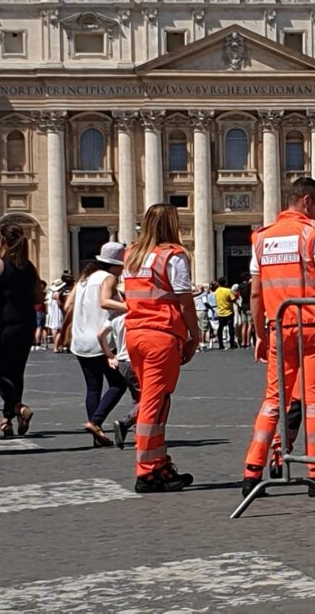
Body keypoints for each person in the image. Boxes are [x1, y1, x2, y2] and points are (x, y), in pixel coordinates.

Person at [242, 176, 315, 498]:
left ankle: (251, 472)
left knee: (273, 401)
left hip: (278, 328)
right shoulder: (314, 234)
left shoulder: (261, 238)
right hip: (313, 328)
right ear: (306, 201)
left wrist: (261, 332)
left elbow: (256, 293)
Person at [123, 203, 199, 493]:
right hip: (160, 335)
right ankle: (146, 470)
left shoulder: (132, 255)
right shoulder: (173, 255)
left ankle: (158, 463)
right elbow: (184, 299)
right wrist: (194, 333)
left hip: (135, 334)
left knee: (154, 401)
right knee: (154, 404)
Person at [64, 242, 128, 446]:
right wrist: (131, 306)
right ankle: (95, 421)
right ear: (115, 265)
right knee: (118, 384)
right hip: (100, 340)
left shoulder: (85, 279)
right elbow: (104, 302)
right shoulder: (108, 278)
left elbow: (68, 305)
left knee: (93, 388)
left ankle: (97, 436)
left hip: (81, 339)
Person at [0, 221, 43, 438]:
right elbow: (39, 297)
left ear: (2, 240)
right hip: (25, 325)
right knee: (16, 373)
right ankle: (7, 420)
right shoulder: (29, 267)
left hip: (3, 325)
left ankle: (18, 408)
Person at [97, 312, 140, 450]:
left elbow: (100, 334)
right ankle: (125, 423)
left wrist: (109, 354)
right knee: (150, 398)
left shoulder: (115, 316)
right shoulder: (138, 313)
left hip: (121, 362)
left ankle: (138, 437)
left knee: (137, 398)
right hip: (136, 360)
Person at [213, 277, 237, 350]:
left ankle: (221, 344)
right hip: (229, 311)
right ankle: (232, 344)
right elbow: (233, 299)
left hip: (220, 312)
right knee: (230, 328)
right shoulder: (228, 291)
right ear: (225, 283)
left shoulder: (217, 291)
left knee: (220, 328)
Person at [47, 279, 65, 352]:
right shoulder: (57, 293)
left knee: (54, 329)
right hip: (57, 311)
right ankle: (57, 346)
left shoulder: (50, 293)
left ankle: (57, 345)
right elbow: (59, 304)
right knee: (60, 329)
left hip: (52, 312)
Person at [236, 272, 253, 348]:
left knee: (244, 324)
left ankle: (243, 342)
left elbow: (238, 296)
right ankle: (248, 341)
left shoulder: (239, 286)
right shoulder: (250, 285)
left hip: (243, 306)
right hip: (249, 306)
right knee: (250, 325)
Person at [33, 280, 49, 351]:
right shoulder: (42, 293)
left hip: (34, 310)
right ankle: (38, 343)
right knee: (40, 327)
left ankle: (36, 343)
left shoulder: (33, 292)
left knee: (38, 327)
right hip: (40, 310)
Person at [193, 285, 209, 352]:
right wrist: (209, 307)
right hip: (202, 310)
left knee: (198, 328)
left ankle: (198, 344)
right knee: (203, 328)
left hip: (196, 311)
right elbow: (205, 302)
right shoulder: (203, 295)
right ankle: (203, 342)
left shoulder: (194, 296)